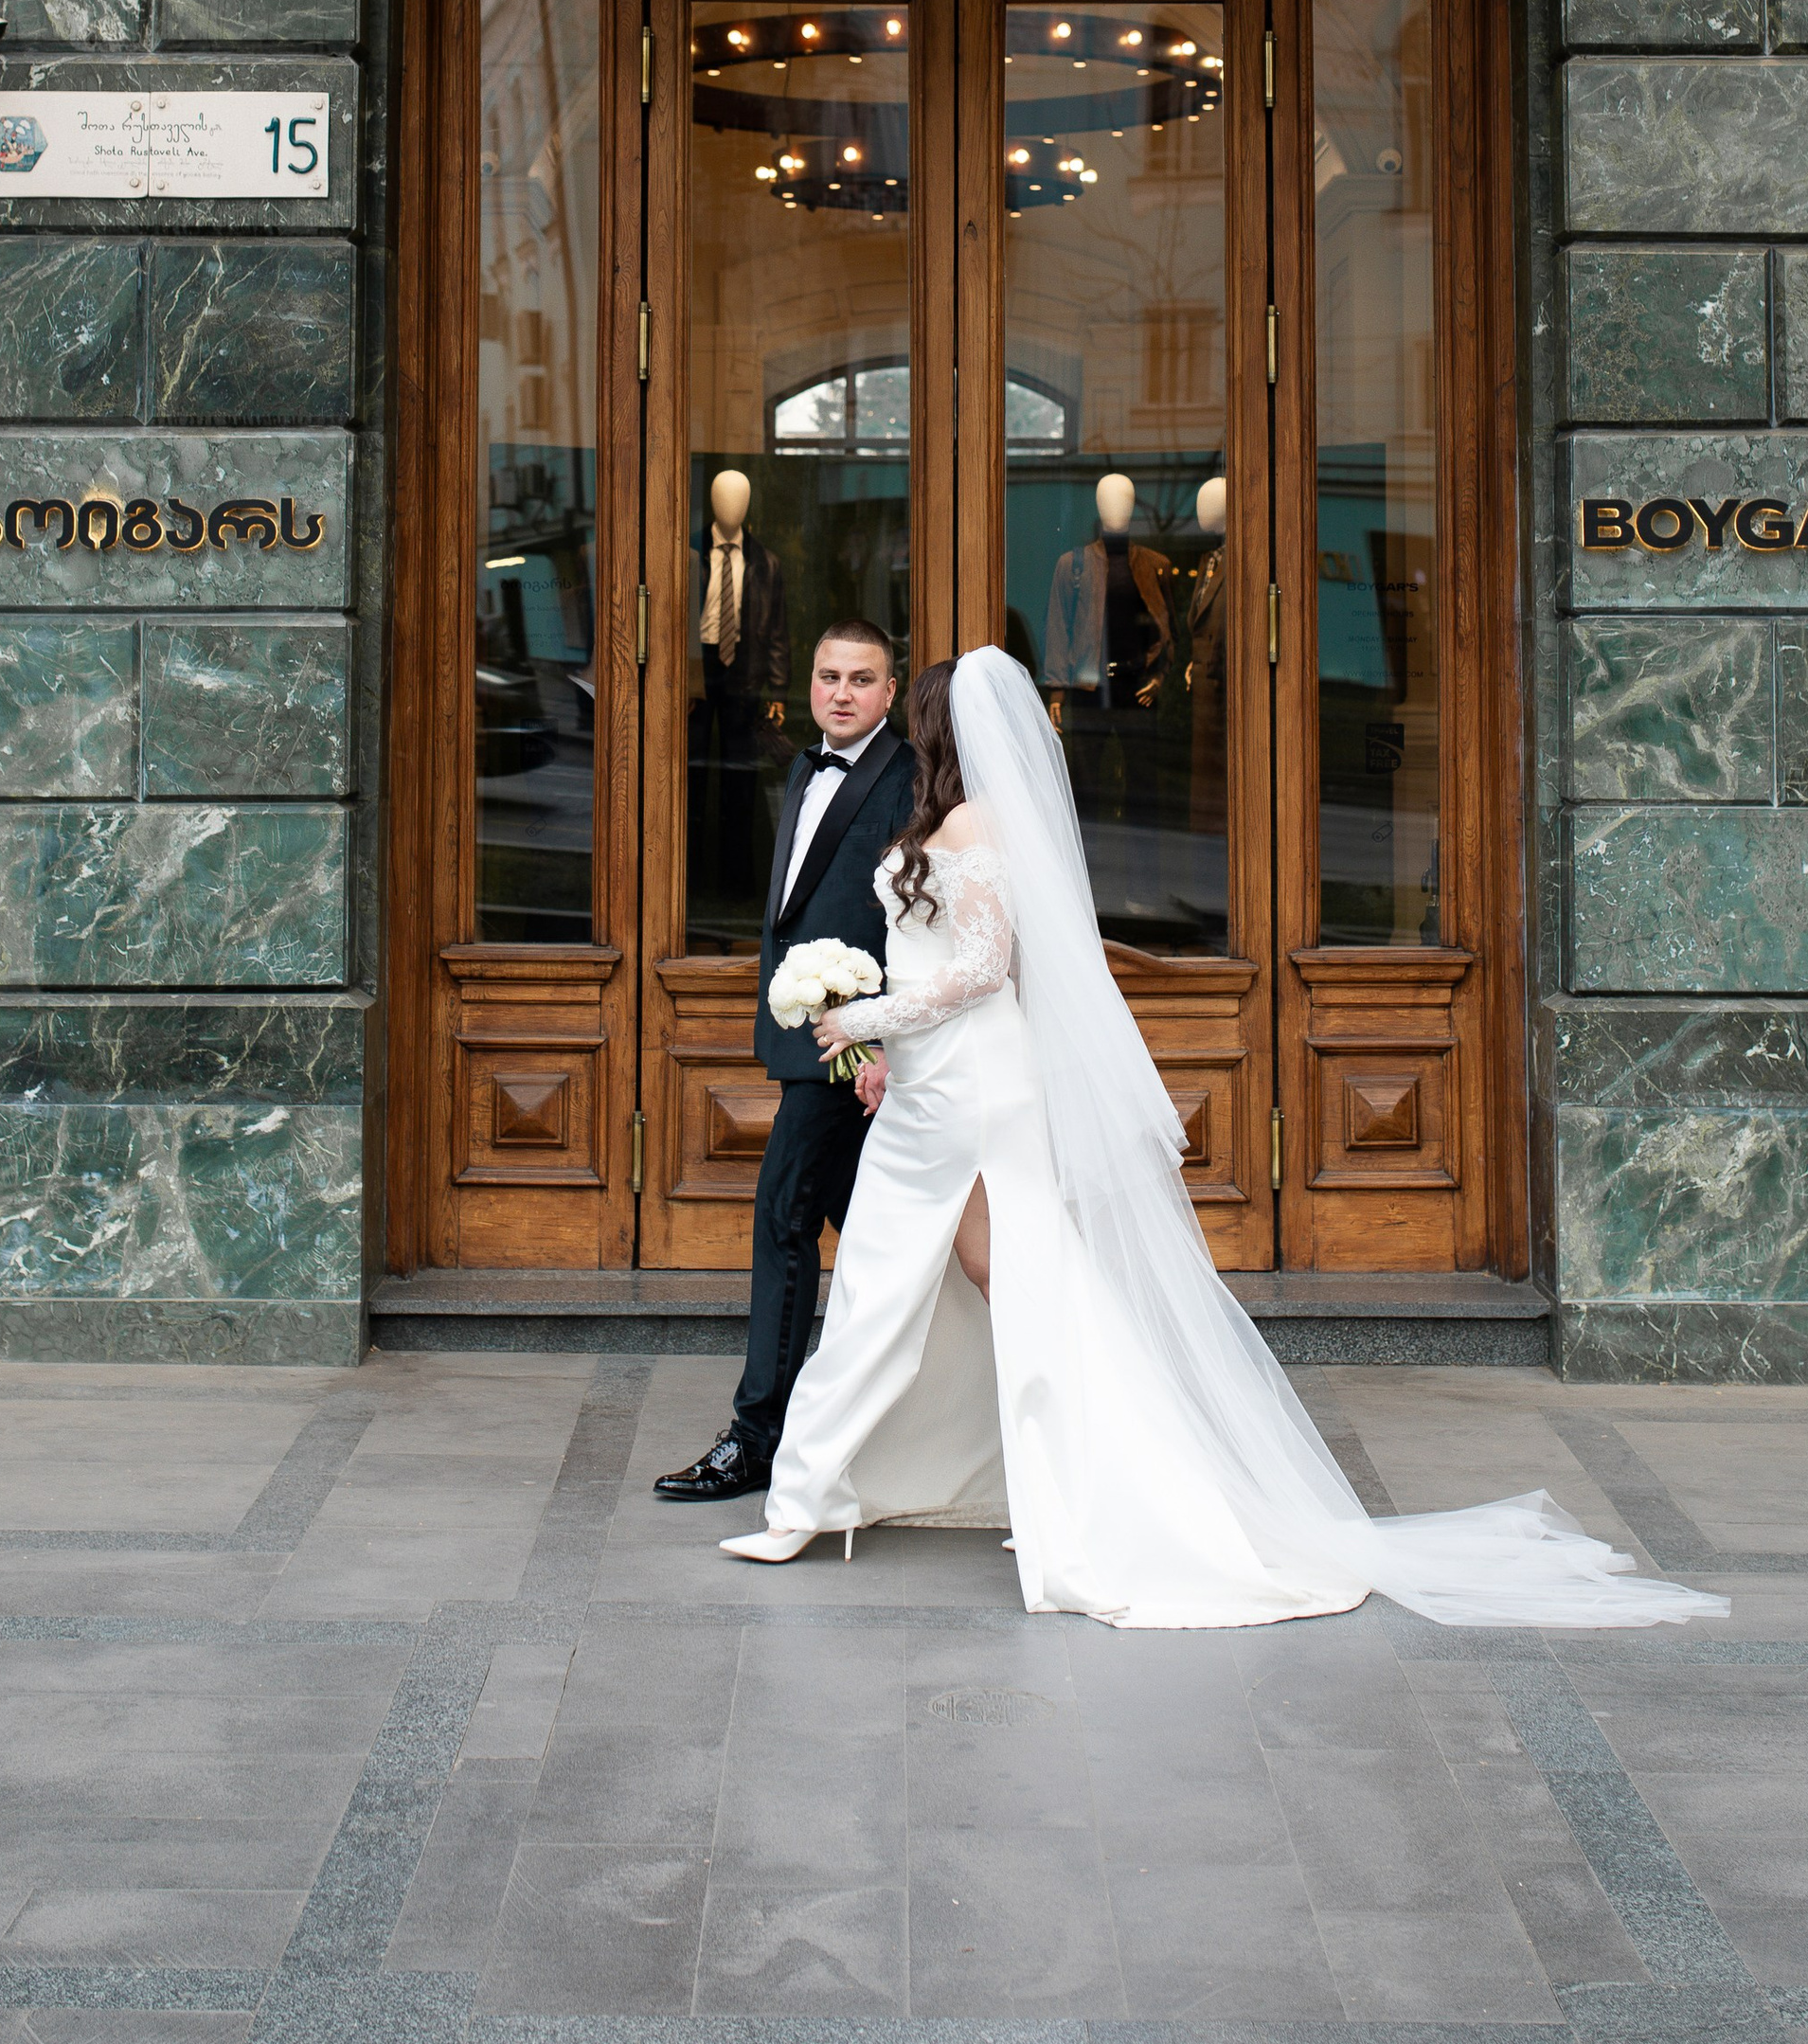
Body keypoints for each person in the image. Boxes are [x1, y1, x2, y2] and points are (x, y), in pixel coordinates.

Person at [715, 647, 1729, 1632]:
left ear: (932, 724)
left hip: (971, 1093)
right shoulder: (952, 818)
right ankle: (952, 1481)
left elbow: (983, 968)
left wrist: (864, 1018)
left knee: (917, 1280)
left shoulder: (975, 824)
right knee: (983, 1279)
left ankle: (831, 1497)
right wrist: (885, 1032)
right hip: (942, 1085)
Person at [653, 619, 915, 1505]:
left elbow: (916, 922)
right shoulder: (805, 766)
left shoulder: (910, 781)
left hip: (855, 1050)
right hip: (806, 1034)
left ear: (891, 691)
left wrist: (877, 1038)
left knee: (782, 1217)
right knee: (883, 1237)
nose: (841, 693)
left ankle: (756, 1437)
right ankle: (907, 1419)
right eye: (828, 675)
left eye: (861, 680)